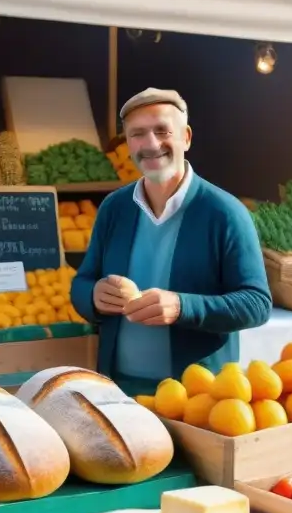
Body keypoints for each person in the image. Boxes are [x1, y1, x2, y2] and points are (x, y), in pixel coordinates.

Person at [71, 88, 272, 396]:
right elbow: (82, 281)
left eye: (162, 131)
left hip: (197, 398)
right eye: (137, 134)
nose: (151, 144)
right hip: (118, 391)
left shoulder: (225, 212)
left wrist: (182, 306)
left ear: (186, 137)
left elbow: (256, 304)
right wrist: (94, 297)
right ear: (127, 144)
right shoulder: (114, 208)